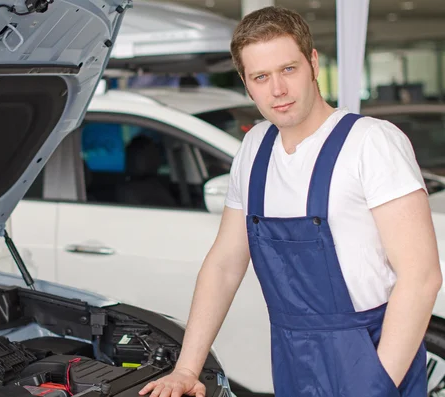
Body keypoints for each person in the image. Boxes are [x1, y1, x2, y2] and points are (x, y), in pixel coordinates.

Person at [138, 6, 442, 397]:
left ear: (313, 63)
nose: (277, 90)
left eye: (288, 70)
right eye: (260, 77)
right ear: (247, 84)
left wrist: (374, 386)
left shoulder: (371, 142)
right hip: (292, 356)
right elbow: (225, 264)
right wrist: (186, 369)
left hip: (372, 355)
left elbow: (421, 278)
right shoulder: (254, 148)